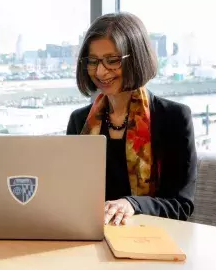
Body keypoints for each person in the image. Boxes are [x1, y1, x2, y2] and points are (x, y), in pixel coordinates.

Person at [67, 12, 197, 226]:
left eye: (112, 61)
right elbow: (70, 193)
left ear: (136, 58)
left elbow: (180, 205)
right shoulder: (79, 120)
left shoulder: (173, 118)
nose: (100, 71)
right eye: (93, 61)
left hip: (149, 239)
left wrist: (132, 204)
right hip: (89, 236)